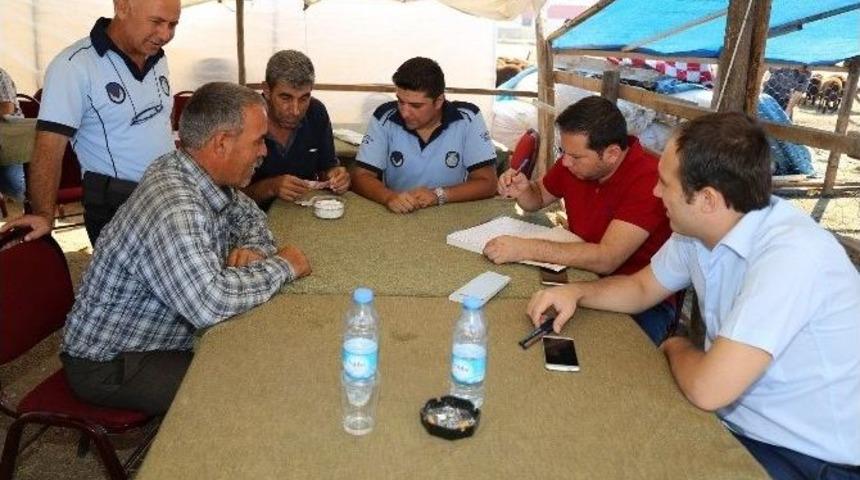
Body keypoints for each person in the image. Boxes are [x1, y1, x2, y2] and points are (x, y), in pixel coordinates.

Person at [527, 112, 860, 478]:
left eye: (665, 183)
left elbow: (707, 389)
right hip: (742, 425)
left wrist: (676, 346)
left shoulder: (792, 256)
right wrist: (577, 293)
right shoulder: (697, 231)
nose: (656, 192)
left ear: (708, 200)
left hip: (810, 458)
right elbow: (640, 288)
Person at [60, 82, 312, 416]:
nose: (264, 151)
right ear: (221, 143)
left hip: (162, 341)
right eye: (258, 141)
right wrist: (284, 265)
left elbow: (250, 217)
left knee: (261, 349)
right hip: (111, 362)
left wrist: (253, 248)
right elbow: (209, 303)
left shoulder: (195, 172)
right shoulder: (174, 204)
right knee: (251, 389)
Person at [489, 96, 673, 344]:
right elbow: (537, 198)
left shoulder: (649, 180)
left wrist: (525, 248)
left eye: (575, 157)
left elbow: (607, 259)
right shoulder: (574, 163)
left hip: (644, 298)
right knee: (517, 324)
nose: (565, 162)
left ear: (612, 153)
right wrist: (523, 189)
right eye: (563, 152)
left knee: (606, 360)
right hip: (580, 276)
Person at [0, 0, 181, 244]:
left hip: (167, 195)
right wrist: (44, 214)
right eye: (157, 22)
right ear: (123, 7)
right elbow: (48, 147)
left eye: (173, 24)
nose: (165, 34)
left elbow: (161, 120)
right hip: (120, 207)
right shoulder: (73, 66)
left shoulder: (157, 57)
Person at [351, 57, 497, 213]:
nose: (405, 113)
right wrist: (388, 197)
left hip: (452, 214)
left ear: (439, 101)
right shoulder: (384, 117)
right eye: (400, 101)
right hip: (398, 215)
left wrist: (439, 195)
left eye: (416, 106)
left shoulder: (467, 118)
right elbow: (361, 177)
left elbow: (488, 183)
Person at [242, 50, 349, 210]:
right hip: (253, 219)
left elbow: (327, 166)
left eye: (304, 98)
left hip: (304, 213)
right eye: (285, 98)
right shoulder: (243, 119)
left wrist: (336, 177)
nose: (295, 110)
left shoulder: (316, 112)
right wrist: (270, 187)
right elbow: (226, 199)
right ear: (267, 90)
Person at [0, 66, 26, 201]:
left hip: (10, 135)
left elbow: (7, 108)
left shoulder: (1, 75)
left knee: (14, 186)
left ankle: (28, 202)